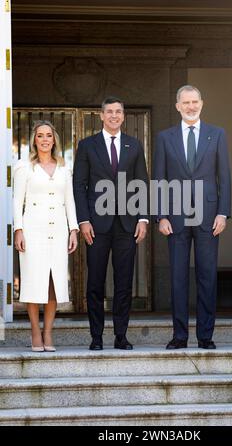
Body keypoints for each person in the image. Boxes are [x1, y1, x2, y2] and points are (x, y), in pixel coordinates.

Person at [154, 85, 231, 349]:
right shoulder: (165, 137)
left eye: (194, 101)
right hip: (175, 217)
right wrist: (160, 215)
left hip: (209, 216)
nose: (190, 106)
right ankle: (179, 336)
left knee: (207, 276)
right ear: (177, 106)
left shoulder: (217, 134)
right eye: (185, 102)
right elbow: (159, 179)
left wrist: (223, 212)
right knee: (177, 277)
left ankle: (205, 336)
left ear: (202, 103)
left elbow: (225, 177)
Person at [73, 96, 148, 351]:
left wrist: (143, 218)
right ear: (101, 116)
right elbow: (79, 185)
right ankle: (96, 337)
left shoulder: (134, 145)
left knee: (124, 282)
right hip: (96, 224)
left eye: (119, 111)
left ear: (123, 116)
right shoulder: (87, 145)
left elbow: (142, 185)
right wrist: (83, 220)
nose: (114, 116)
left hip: (127, 224)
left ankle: (121, 336)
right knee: (95, 282)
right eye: (110, 112)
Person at [14, 120, 78, 352]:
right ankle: (35, 332)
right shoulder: (24, 167)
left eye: (48, 135)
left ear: (54, 139)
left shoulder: (63, 167)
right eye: (40, 135)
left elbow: (69, 200)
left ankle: (48, 332)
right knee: (33, 282)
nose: (44, 139)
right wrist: (18, 230)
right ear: (34, 140)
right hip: (33, 231)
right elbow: (16, 200)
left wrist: (73, 230)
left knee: (53, 283)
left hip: (58, 231)